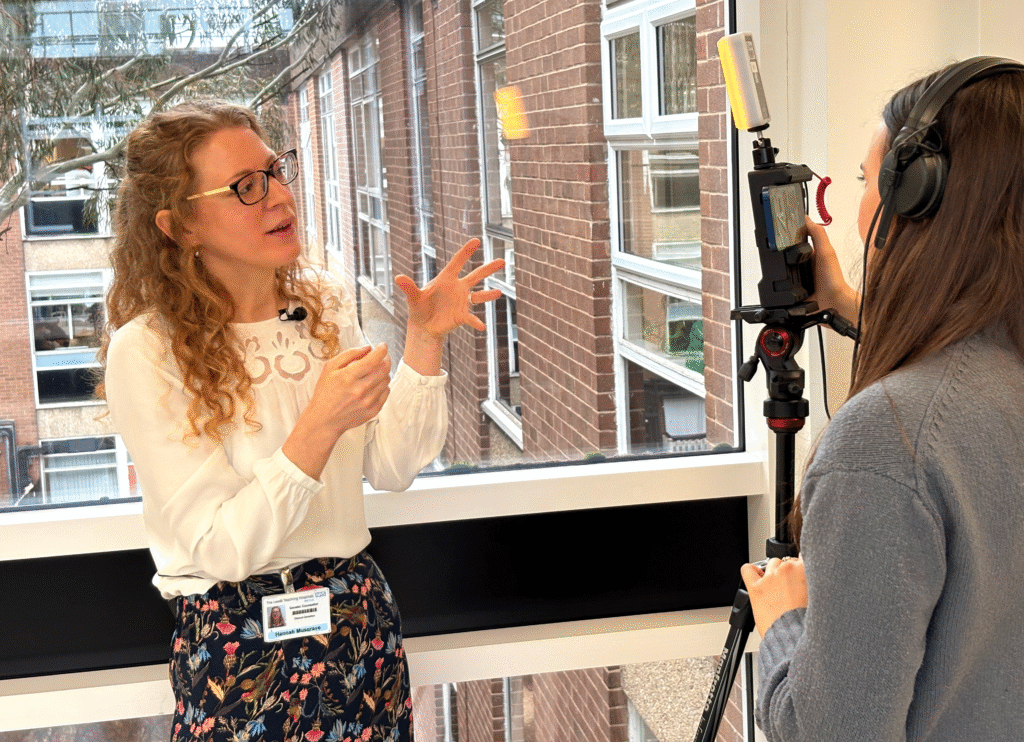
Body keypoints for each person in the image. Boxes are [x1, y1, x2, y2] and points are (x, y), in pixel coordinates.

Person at [99, 100, 504, 742]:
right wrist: (317, 424)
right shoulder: (147, 351)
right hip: (235, 648)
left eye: (277, 171)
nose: (280, 197)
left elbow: (391, 467)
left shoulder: (322, 303)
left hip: (355, 622)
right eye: (245, 187)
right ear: (179, 227)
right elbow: (222, 547)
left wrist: (424, 342)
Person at [739, 60, 1024, 741]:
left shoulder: (885, 442)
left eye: (869, 183)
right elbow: (966, 374)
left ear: (915, 201)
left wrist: (784, 622)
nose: (860, 209)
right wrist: (845, 302)